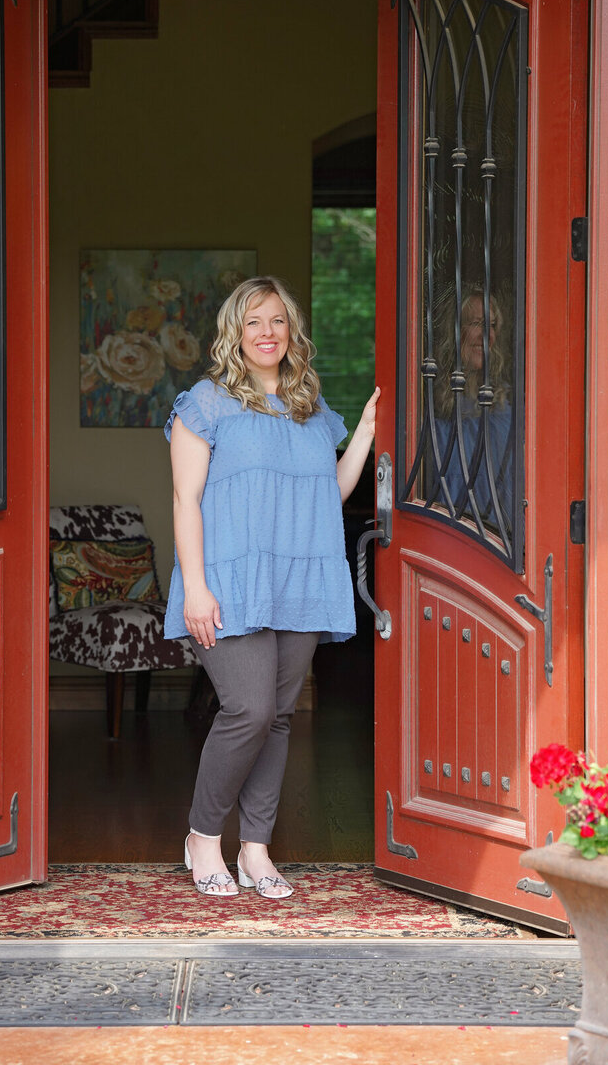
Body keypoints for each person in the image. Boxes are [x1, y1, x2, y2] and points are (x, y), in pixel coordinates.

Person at [163, 276, 378, 899]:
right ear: (235, 331)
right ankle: (204, 836)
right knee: (249, 708)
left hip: (298, 579)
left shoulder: (311, 409)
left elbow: (329, 491)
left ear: (291, 333)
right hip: (227, 581)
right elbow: (186, 500)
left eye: (278, 321)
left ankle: (255, 849)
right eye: (254, 321)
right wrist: (195, 588)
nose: (267, 332)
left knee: (279, 717)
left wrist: (363, 430)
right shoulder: (204, 403)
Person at [432, 287, 513, 532]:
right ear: (455, 331)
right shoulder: (429, 403)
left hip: (500, 541)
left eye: (493, 325)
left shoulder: (507, 404)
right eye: (477, 323)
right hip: (446, 535)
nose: (486, 335)